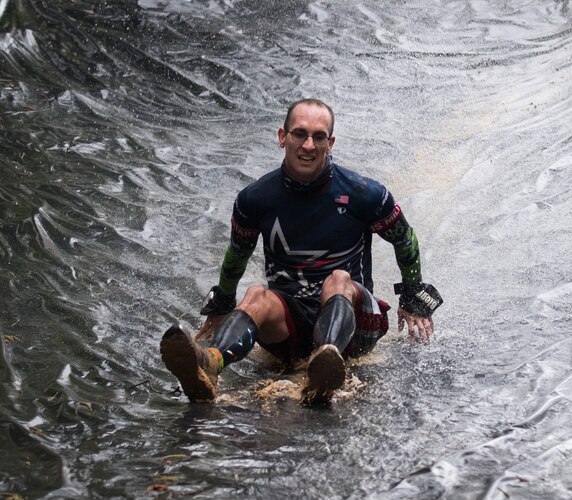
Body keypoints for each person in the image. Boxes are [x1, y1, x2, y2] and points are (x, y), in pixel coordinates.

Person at [159, 98, 442, 402]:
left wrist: (412, 294)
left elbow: (405, 238)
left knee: (338, 279)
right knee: (256, 294)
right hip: (291, 324)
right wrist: (223, 302)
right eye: (300, 134)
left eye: (318, 136)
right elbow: (237, 253)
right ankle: (209, 363)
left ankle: (328, 359)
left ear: (329, 143)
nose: (308, 145)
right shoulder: (254, 199)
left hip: (355, 324)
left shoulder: (364, 194)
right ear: (283, 137)